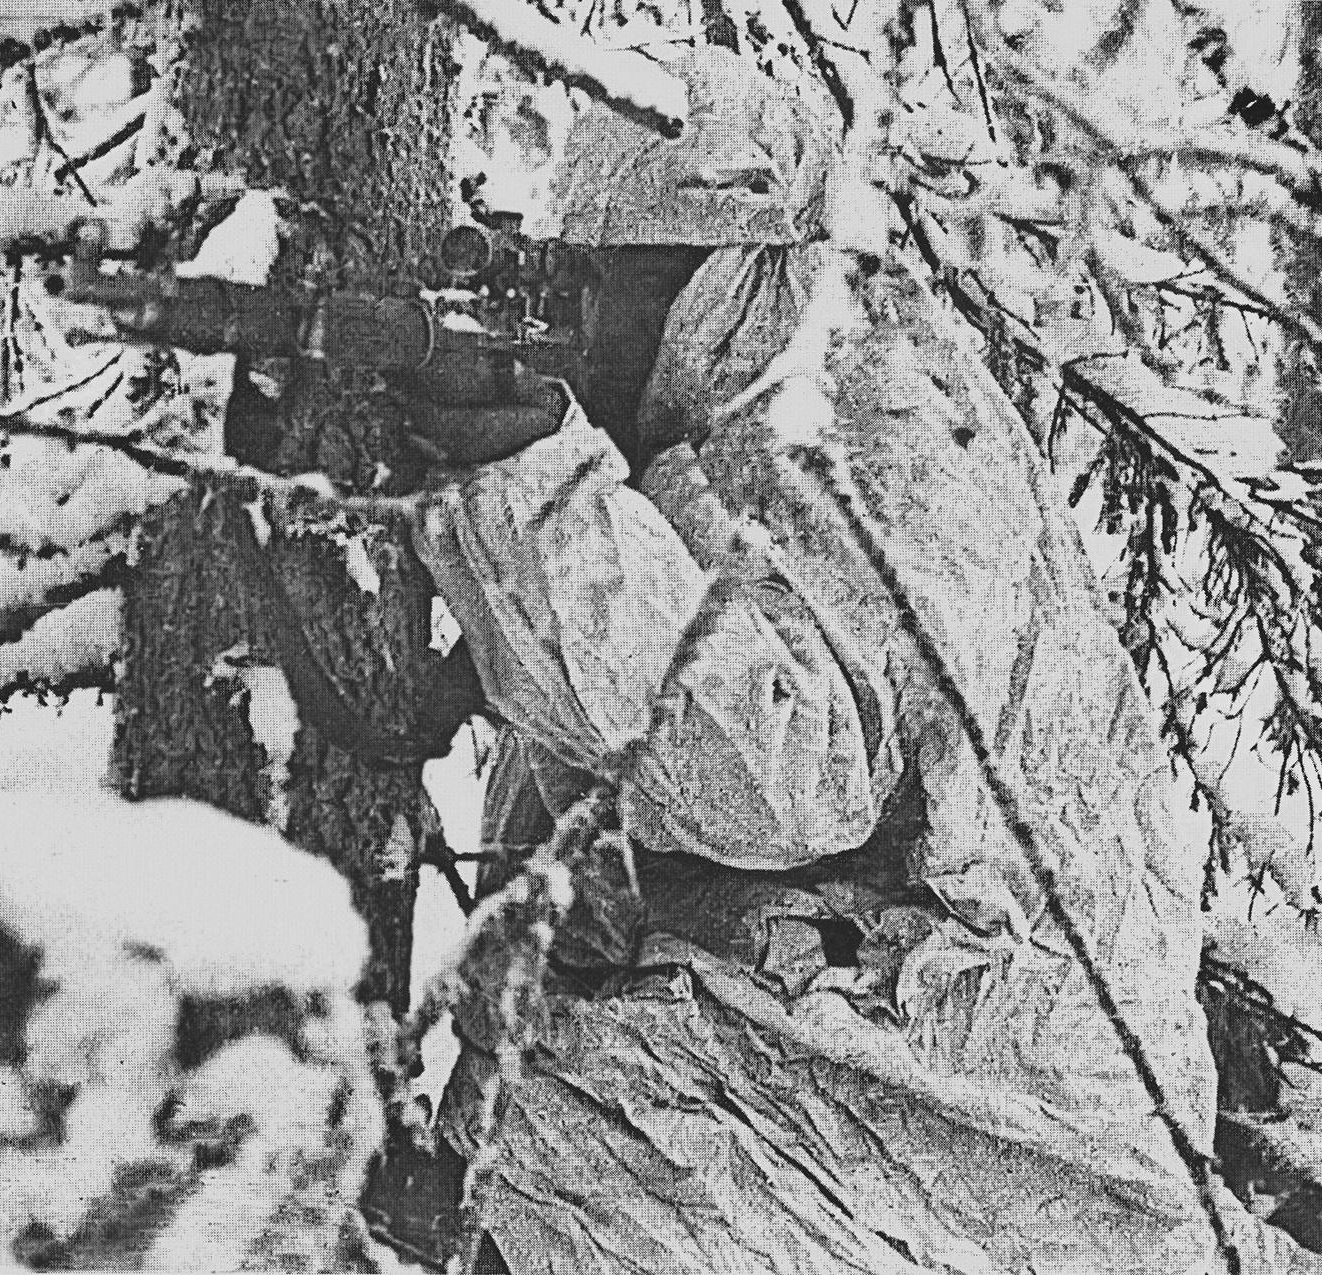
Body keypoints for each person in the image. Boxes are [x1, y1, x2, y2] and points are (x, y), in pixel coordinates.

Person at [395, 46, 1320, 1274]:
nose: (584, 324)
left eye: (617, 283)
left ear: (734, 277)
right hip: (880, 1022)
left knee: (572, 1138)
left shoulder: (870, 418)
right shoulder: (739, 419)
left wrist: (532, 486)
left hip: (988, 1096)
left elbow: (784, 776)